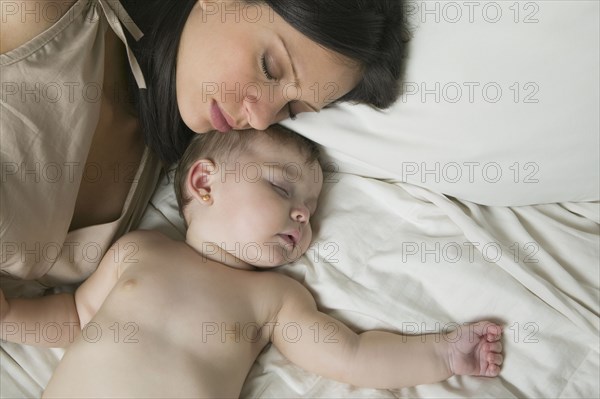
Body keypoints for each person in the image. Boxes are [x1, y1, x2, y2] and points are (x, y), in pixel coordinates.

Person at [0, 126, 504, 398]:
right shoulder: (139, 250)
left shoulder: (275, 298)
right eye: (281, 188)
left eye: (310, 208)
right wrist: (10, 319)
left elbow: (351, 357)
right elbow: (74, 318)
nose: (303, 213)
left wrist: (442, 355)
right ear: (204, 184)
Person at [0, 0, 409, 293]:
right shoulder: (38, 15)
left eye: (292, 107)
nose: (262, 118)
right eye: (269, 68)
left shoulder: (166, 155)